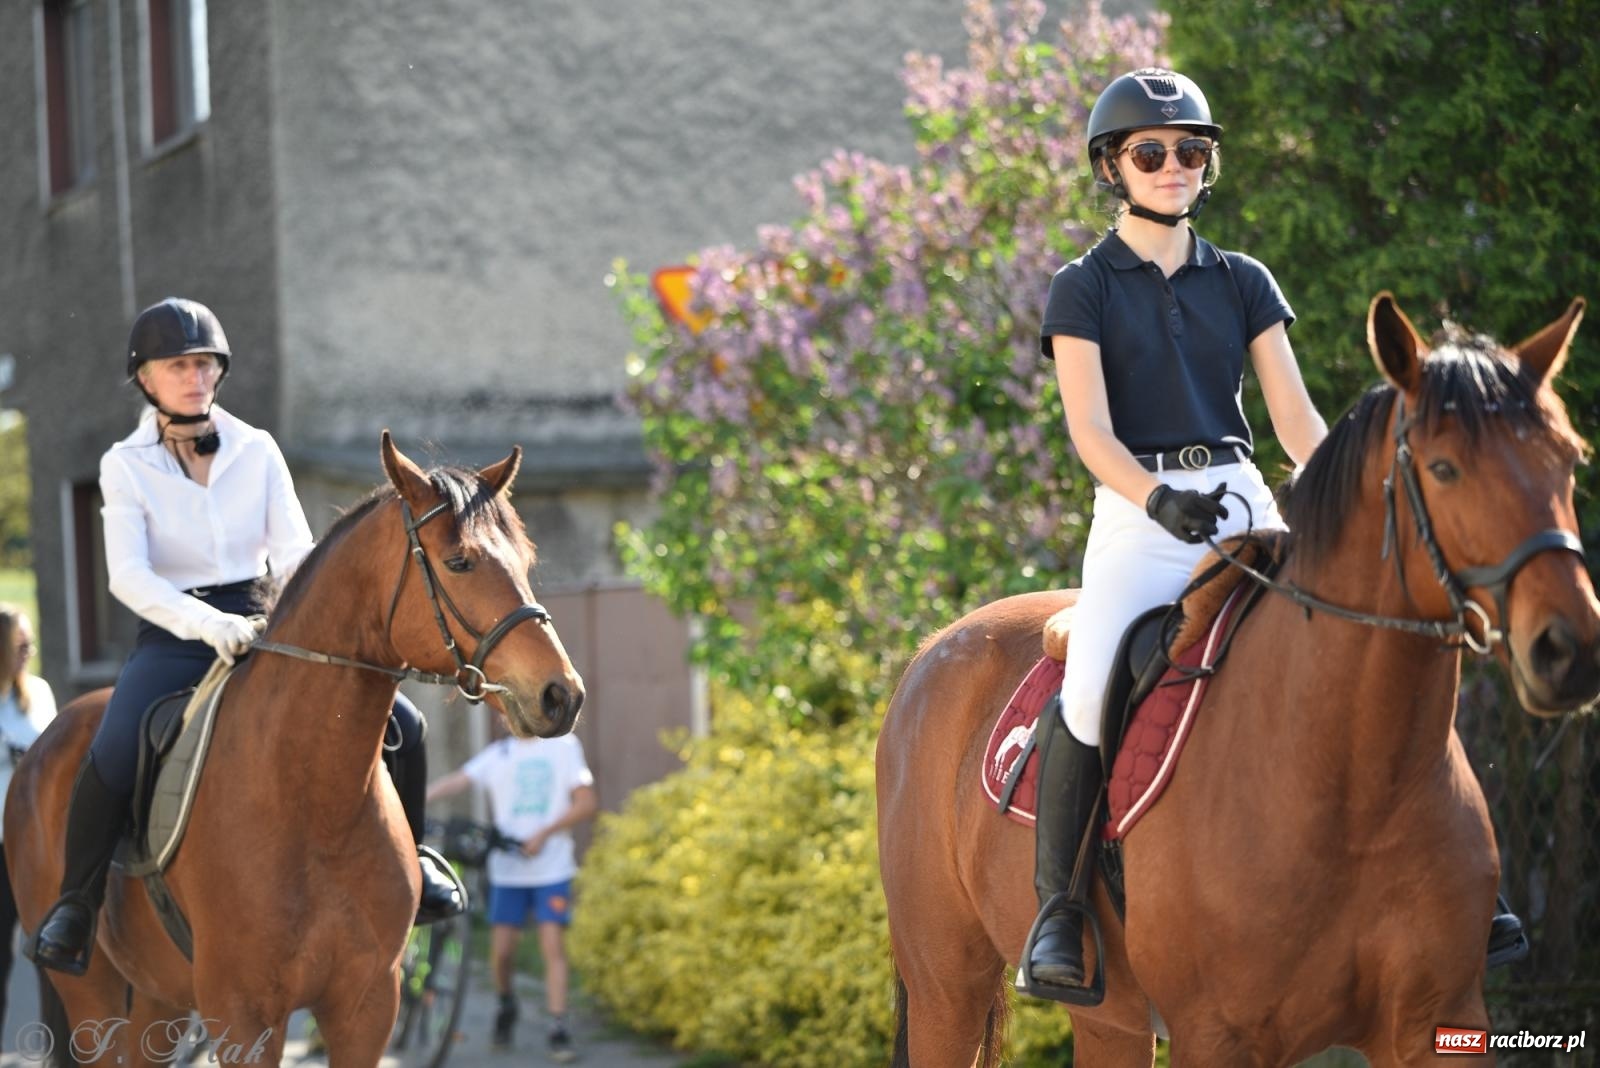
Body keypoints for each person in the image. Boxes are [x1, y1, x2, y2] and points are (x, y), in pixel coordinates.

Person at [1021, 68, 1525, 1000]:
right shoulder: (1080, 288)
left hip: (1246, 495)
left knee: (1368, 639)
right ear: (1112, 166)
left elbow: (1296, 422)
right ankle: (1060, 911)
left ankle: (1465, 880)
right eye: (1152, 153)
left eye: (1192, 152)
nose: (1175, 166)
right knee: (1090, 679)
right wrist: (1154, 498)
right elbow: (1090, 431)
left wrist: (1354, 500)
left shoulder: (1244, 280)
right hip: (1141, 514)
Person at [29, 297, 464, 978]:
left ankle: (419, 859)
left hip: (266, 619)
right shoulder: (124, 464)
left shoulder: (256, 448)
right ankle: (77, 903)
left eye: (205, 364)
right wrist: (208, 625)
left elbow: (295, 552)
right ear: (145, 377)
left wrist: (297, 615)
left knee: (404, 721)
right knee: (113, 745)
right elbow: (129, 576)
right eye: (179, 366)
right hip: (173, 630)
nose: (196, 377)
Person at [427, 723, 597, 1063]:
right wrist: (414, 796)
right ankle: (507, 1003)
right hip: (507, 873)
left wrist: (545, 833)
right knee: (502, 953)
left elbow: (586, 803)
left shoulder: (565, 747)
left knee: (552, 945)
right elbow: (457, 781)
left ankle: (558, 1027)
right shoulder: (498, 755)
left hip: (552, 869)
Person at [0, 605, 57, 1034]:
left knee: (50, 951)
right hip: (1, 846)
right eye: (21, 644)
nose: (30, 651)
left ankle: (57, 1052)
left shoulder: (38, 692)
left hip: (37, 843)